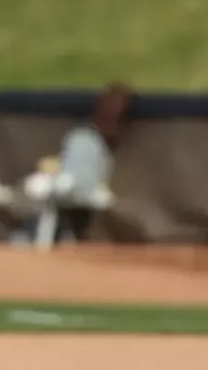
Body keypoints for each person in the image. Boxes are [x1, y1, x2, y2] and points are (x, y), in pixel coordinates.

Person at [21, 81, 134, 247]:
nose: (112, 119)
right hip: (64, 197)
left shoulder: (95, 145)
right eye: (108, 112)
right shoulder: (81, 139)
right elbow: (68, 185)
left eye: (118, 115)